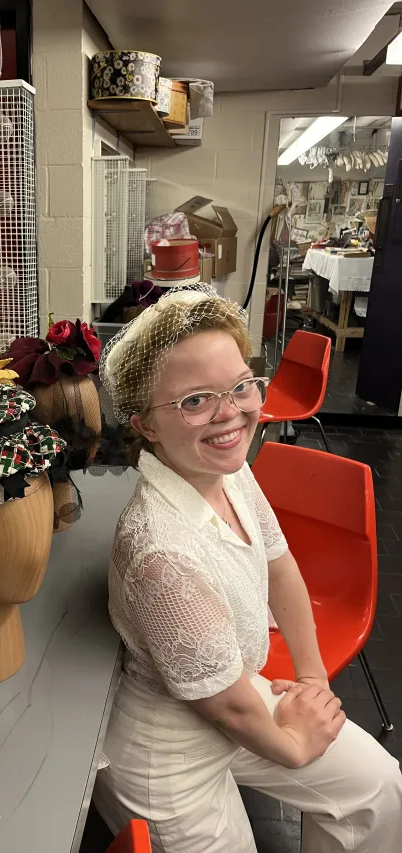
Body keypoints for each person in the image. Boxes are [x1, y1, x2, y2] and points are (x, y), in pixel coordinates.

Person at [94, 286, 402, 853]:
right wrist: (293, 746)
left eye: (239, 385)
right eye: (194, 401)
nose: (231, 412)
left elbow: (281, 571)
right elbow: (228, 708)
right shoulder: (159, 554)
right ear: (145, 427)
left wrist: (311, 682)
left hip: (237, 696)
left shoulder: (230, 473)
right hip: (171, 757)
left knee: (377, 786)